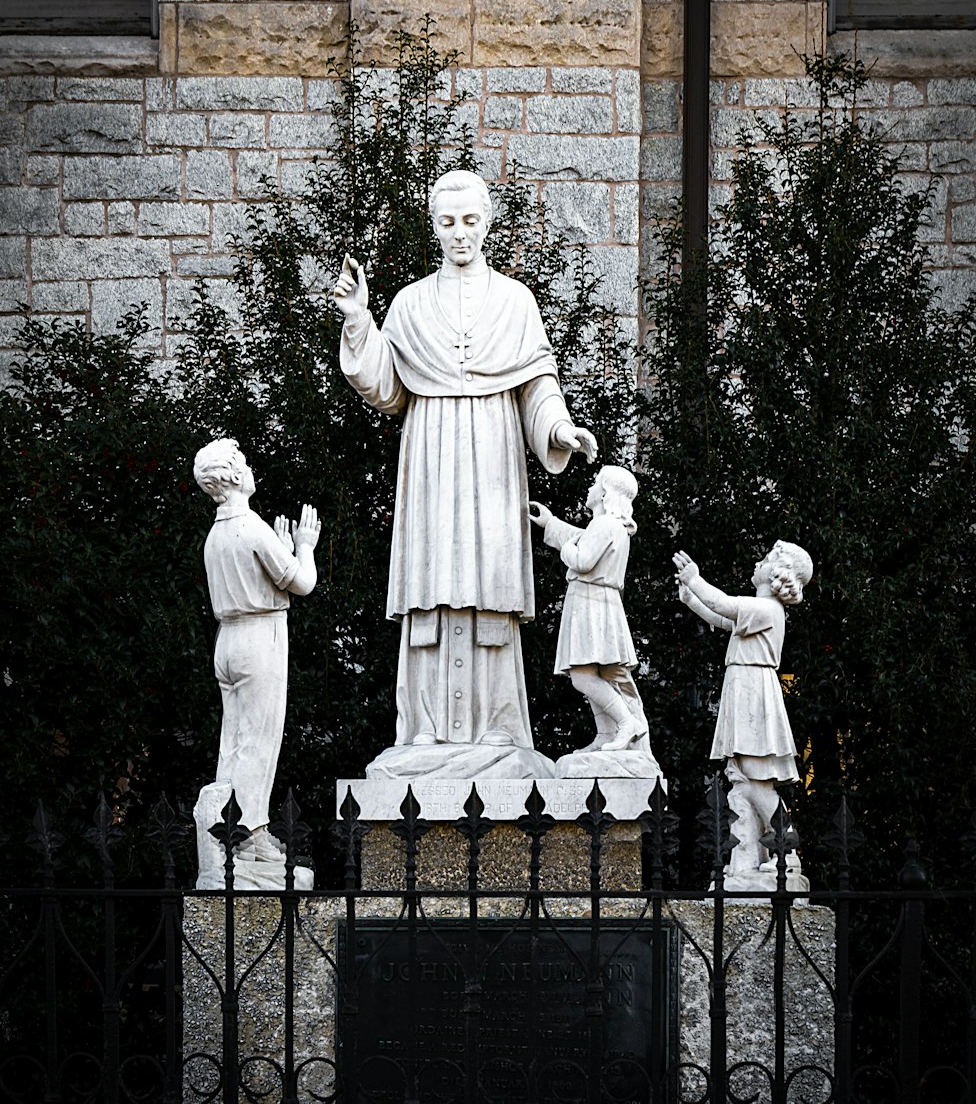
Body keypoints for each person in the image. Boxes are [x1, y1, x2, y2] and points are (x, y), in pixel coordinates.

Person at [333, 169, 596, 768]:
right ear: (434, 226)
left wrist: (559, 429)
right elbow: (386, 386)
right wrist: (357, 319)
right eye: (447, 222)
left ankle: (500, 729)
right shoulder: (410, 303)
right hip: (430, 459)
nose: (459, 234)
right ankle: (423, 730)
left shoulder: (514, 302)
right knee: (430, 586)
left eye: (470, 221)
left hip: (493, 461)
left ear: (488, 222)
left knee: (491, 586)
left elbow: (537, 385)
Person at [194, 438, 320, 857]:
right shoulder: (250, 526)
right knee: (259, 739)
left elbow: (255, 577)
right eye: (243, 463)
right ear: (231, 476)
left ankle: (225, 826)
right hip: (258, 637)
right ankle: (249, 834)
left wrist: (280, 550)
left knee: (233, 740)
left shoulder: (216, 535)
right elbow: (302, 583)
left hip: (226, 639)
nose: (249, 468)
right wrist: (303, 546)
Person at [674, 540, 813, 878]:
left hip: (754, 692)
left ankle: (787, 846)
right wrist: (690, 597)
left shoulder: (765, 608)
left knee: (755, 776)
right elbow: (721, 617)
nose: (758, 562)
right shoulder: (758, 610)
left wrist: (695, 579)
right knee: (742, 777)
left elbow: (724, 603)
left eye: (765, 559)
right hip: (743, 688)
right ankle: (748, 859)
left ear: (778, 573)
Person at [530, 466, 656, 756]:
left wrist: (565, 553)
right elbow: (581, 537)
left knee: (583, 676)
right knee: (593, 673)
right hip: (598, 604)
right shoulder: (612, 527)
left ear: (603, 492)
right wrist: (551, 524)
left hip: (592, 605)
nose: (589, 489)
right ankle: (606, 733)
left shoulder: (605, 525)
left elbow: (582, 558)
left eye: (594, 483)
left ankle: (626, 723)